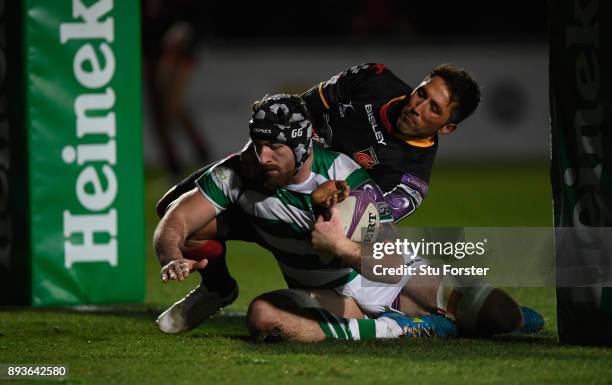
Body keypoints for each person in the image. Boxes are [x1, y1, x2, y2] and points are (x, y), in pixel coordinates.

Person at [154, 94, 524, 341]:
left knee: (502, 315)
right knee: (262, 315)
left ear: (302, 147)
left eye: (275, 147)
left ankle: (397, 326)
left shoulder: (346, 178)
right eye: (257, 143)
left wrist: (339, 246)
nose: (263, 156)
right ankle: (396, 330)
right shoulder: (240, 170)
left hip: (387, 280)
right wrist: (172, 257)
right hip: (331, 293)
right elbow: (175, 220)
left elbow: (391, 264)